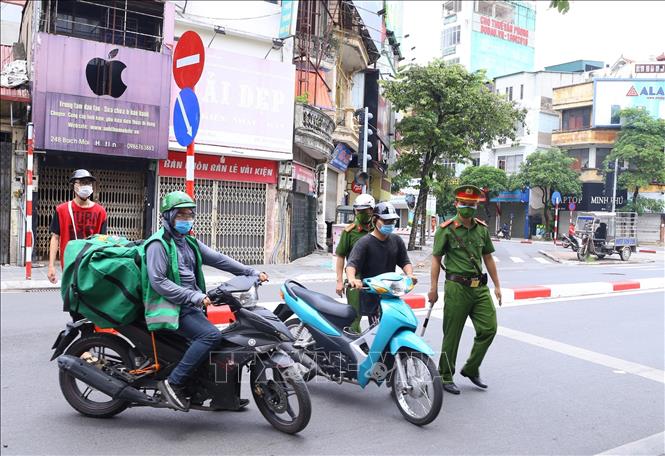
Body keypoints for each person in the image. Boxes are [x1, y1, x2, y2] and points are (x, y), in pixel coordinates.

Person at [143, 191, 268, 412]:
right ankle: (173, 384)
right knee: (210, 335)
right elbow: (158, 282)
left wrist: (251, 271)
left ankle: (223, 398)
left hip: (191, 304)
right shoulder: (157, 244)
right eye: (181, 215)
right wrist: (196, 296)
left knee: (227, 338)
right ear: (168, 216)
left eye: (190, 215)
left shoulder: (188, 242)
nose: (186, 219)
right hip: (171, 306)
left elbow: (219, 259)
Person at [428, 185, 502, 395]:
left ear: (476, 205)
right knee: (452, 334)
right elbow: (436, 259)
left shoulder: (481, 229)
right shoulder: (446, 229)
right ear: (456, 204)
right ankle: (445, 375)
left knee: (489, 329)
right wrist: (433, 289)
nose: (467, 207)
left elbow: (487, 257)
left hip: (479, 288)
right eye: (464, 204)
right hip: (456, 287)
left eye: (471, 204)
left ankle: (470, 368)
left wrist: (497, 285)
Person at [345, 202, 417, 325]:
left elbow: (405, 261)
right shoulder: (364, 243)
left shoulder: (396, 241)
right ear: (374, 220)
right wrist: (352, 279)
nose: (389, 225)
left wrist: (410, 275)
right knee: (377, 330)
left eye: (392, 222)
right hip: (372, 294)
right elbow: (352, 264)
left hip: (391, 294)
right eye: (386, 221)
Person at [48, 170, 108, 319]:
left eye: (88, 183)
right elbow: (55, 238)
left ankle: (89, 340)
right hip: (70, 268)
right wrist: (51, 266)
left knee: (91, 310)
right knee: (74, 310)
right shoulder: (61, 210)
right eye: (81, 183)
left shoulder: (100, 212)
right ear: (73, 186)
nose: (85, 186)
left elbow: (103, 241)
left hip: (91, 268)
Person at [335, 193, 375, 333]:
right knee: (354, 319)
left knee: (377, 319)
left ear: (372, 210)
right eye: (358, 210)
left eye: (364, 210)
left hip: (375, 280)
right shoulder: (349, 232)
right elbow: (340, 257)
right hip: (355, 280)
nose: (361, 213)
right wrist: (339, 281)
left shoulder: (378, 229)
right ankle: (356, 349)